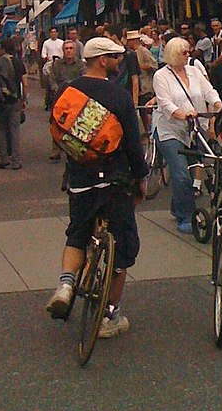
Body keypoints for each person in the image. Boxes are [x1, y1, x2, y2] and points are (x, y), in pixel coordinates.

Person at [45, 37, 149, 338]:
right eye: (114, 56)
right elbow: (132, 142)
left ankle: (66, 285)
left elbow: (59, 129)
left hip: (79, 178)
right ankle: (109, 316)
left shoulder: (68, 90)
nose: (119, 59)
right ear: (101, 61)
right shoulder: (118, 96)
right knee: (123, 247)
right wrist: (140, 176)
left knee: (77, 233)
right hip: (114, 182)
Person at [153, 38, 222, 233]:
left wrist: (219, 106)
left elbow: (209, 91)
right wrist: (181, 114)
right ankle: (187, 216)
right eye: (184, 52)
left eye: (188, 51)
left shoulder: (194, 72)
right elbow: (165, 103)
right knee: (181, 173)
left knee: (192, 171)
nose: (188, 55)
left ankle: (177, 206)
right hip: (170, 130)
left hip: (193, 129)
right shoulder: (161, 76)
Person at [0, 38, 27, 170]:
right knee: (14, 130)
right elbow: (24, 84)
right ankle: (16, 160)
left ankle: (4, 159)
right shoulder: (18, 63)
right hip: (15, 100)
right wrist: (23, 99)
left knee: (1, 128)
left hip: (0, 101)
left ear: (2, 49)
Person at [47, 40, 87, 161]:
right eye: (66, 49)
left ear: (74, 50)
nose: (69, 51)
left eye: (71, 48)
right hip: (60, 97)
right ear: (63, 51)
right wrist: (57, 89)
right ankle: (56, 149)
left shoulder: (80, 65)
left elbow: (84, 78)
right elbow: (52, 79)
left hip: (75, 98)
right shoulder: (57, 65)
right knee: (55, 122)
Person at [106, 24, 140, 107]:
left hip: (126, 96)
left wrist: (135, 102)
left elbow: (135, 79)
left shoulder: (130, 55)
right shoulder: (108, 55)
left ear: (113, 37)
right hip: (112, 96)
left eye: (106, 37)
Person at [41, 28, 64, 110]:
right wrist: (46, 57)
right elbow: (43, 54)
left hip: (60, 65)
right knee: (49, 84)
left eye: (55, 32)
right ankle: (47, 101)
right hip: (50, 65)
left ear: (57, 33)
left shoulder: (61, 42)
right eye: (52, 32)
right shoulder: (46, 43)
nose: (53, 34)